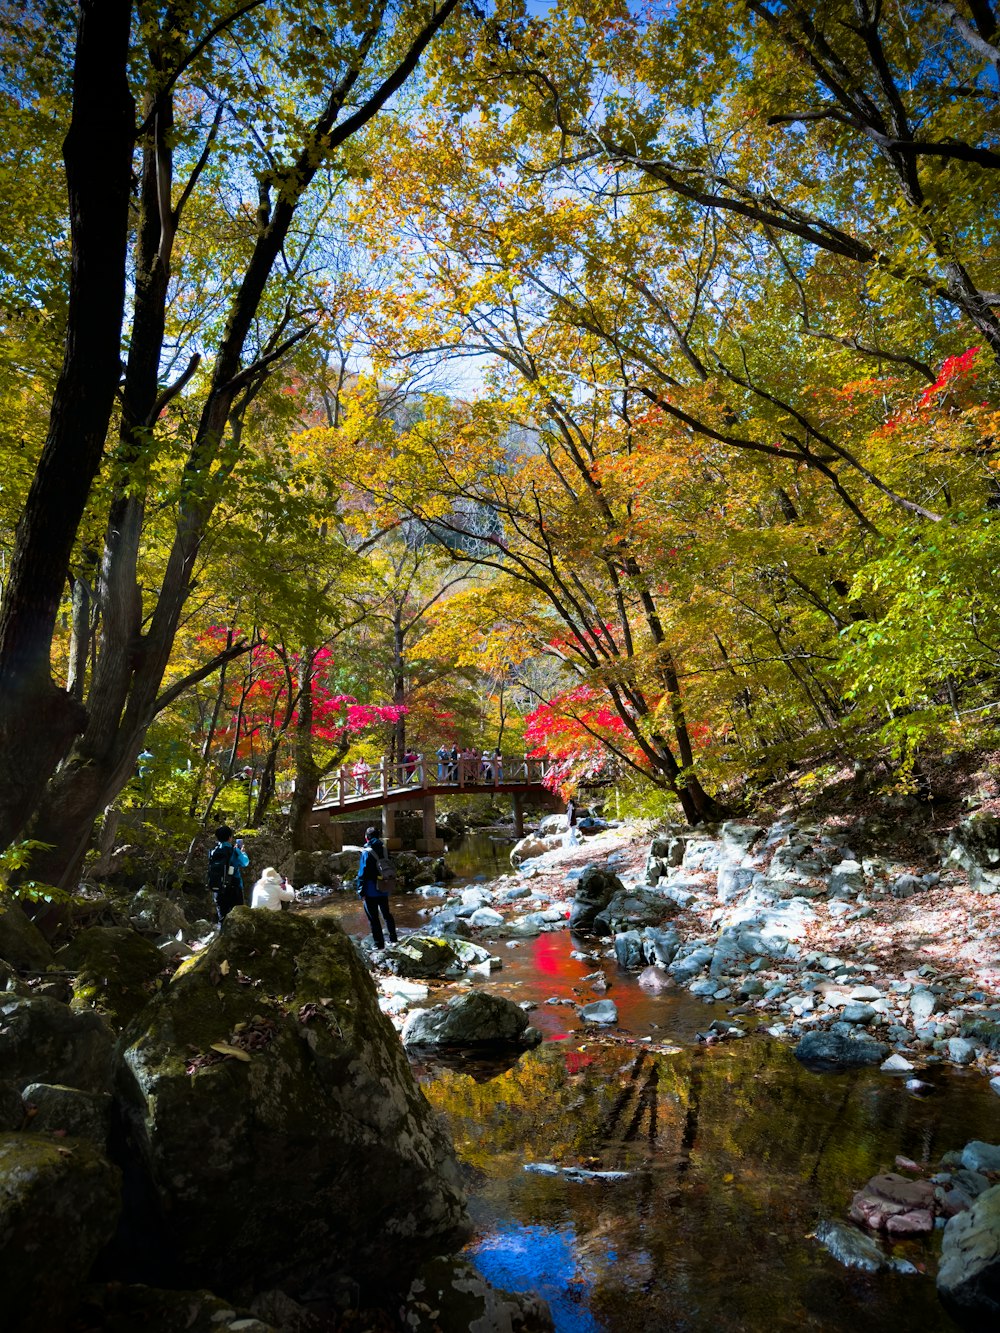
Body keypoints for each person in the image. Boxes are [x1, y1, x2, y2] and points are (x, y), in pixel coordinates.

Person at [356, 826, 397, 951]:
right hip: (384, 886)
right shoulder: (385, 850)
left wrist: (360, 891)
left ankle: (379, 944)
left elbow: (362, 873)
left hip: (370, 889)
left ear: (367, 837)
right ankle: (393, 939)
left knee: (374, 918)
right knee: (386, 914)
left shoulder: (366, 852)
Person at [207, 825, 249, 923]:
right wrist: (242, 852)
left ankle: (221, 935)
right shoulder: (233, 851)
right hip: (234, 887)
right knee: (239, 917)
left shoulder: (213, 851)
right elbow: (245, 862)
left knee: (222, 917)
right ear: (230, 837)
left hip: (218, 887)